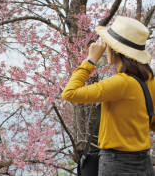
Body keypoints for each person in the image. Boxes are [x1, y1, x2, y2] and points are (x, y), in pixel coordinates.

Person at [62, 16, 155, 175]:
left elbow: (69, 93)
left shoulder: (121, 83)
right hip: (144, 163)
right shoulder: (150, 80)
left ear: (116, 50)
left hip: (117, 163)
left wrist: (90, 60)